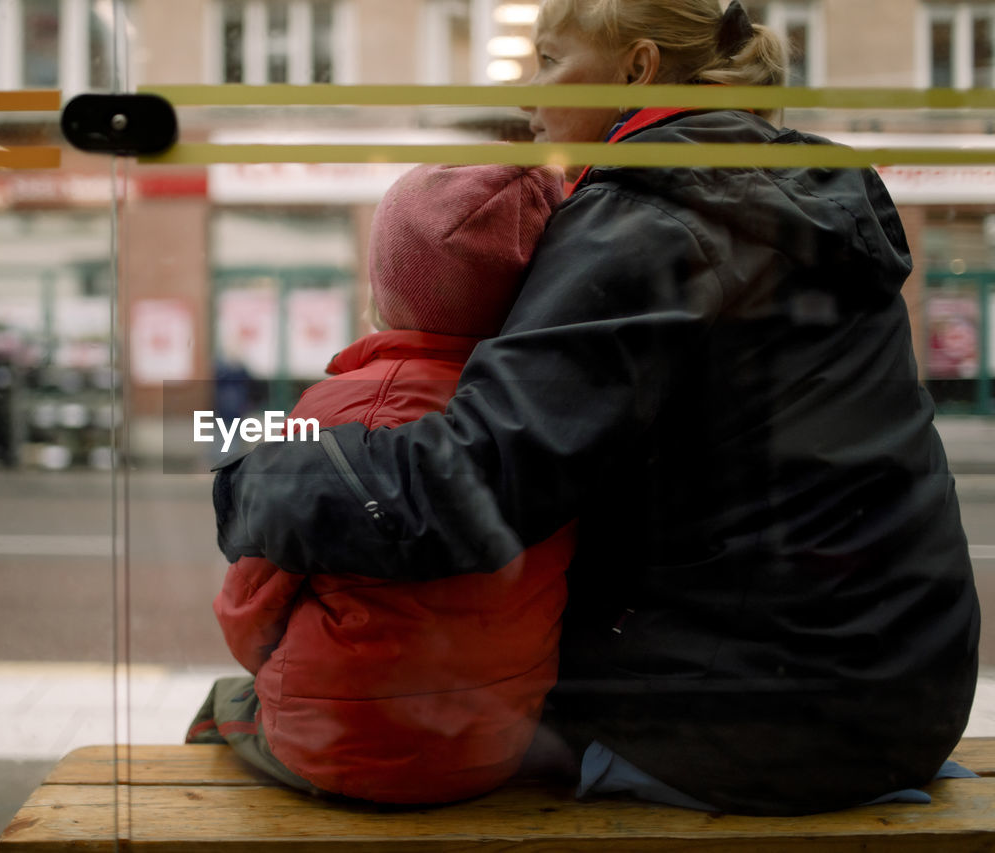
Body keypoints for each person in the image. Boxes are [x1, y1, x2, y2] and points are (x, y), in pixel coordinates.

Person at [211, 0, 981, 816]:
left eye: (547, 61)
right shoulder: (802, 192)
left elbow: (476, 486)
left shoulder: (649, 214)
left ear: (638, 69)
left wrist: (258, 476)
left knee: (355, 714)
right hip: (904, 689)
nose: (529, 94)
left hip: (764, 722)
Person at [188, 163, 574, 804]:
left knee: (222, 706)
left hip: (340, 748)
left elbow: (249, 606)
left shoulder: (336, 411)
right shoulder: (543, 415)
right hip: (497, 744)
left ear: (384, 286)